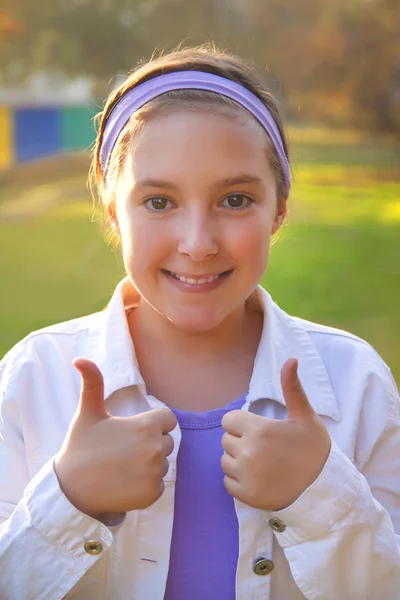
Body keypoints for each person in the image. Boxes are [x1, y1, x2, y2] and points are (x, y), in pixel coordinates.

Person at [0, 45, 399, 600]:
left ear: (278, 209)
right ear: (115, 211)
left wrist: (318, 497)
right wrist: (70, 501)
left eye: (235, 199)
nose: (198, 244)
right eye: (159, 202)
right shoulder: (31, 379)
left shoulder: (356, 383)